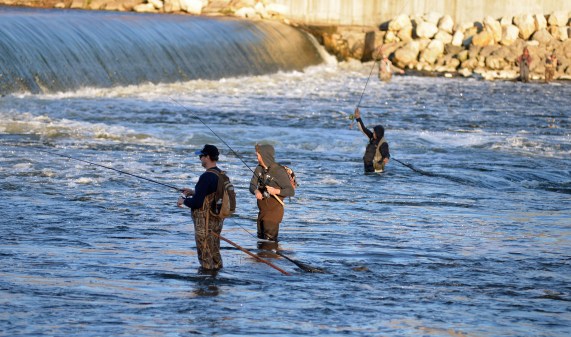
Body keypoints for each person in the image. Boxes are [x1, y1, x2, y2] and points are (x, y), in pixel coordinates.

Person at [177, 144, 226, 271]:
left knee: (205, 253)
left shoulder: (206, 177)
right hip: (217, 220)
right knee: (214, 251)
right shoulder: (220, 174)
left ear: (208, 157)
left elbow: (198, 203)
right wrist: (193, 192)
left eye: (201, 156)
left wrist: (184, 200)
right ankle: (216, 279)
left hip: (204, 222)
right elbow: (210, 195)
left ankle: (206, 284)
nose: (200, 159)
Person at [249, 144, 295, 244]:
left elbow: (291, 191)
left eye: (258, 155)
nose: (257, 157)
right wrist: (256, 191)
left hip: (273, 214)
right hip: (262, 213)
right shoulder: (259, 169)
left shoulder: (279, 171)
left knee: (269, 245)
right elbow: (252, 185)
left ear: (264, 155)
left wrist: (275, 191)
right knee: (260, 244)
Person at [354, 108, 390, 173]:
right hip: (368, 166)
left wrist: (386, 158)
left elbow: (386, 154)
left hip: (377, 170)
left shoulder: (383, 143)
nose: (373, 133)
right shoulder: (372, 137)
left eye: (374, 132)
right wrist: (358, 118)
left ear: (378, 133)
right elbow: (363, 129)